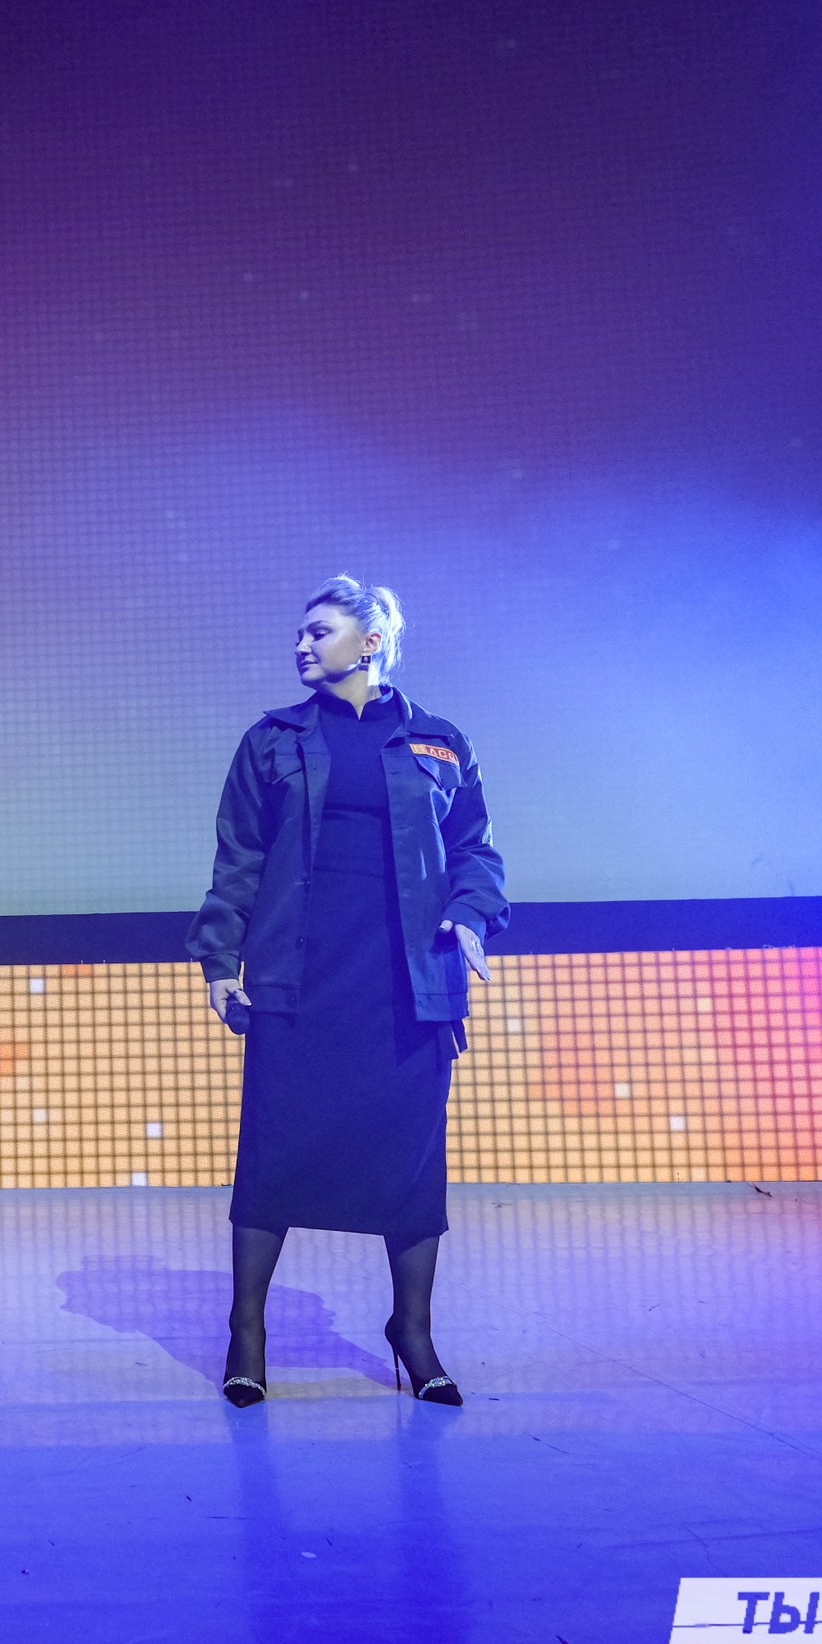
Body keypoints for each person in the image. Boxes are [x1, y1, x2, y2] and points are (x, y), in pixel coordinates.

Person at [187, 576, 507, 1408]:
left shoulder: (440, 741)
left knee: (410, 1159)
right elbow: (238, 858)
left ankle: (413, 1330)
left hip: (407, 984)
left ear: (370, 642)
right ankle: (247, 1333)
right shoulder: (271, 741)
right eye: (300, 632)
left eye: (319, 631)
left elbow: (476, 851)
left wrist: (471, 914)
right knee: (274, 1152)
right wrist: (220, 962)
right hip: (301, 978)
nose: (301, 644)